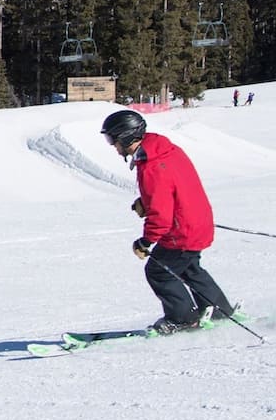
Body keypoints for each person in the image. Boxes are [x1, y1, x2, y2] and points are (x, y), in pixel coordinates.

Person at [101, 110, 235, 335]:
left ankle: (182, 319)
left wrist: (145, 241)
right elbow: (171, 187)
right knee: (189, 268)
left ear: (125, 136)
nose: (112, 146)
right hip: (197, 222)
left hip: (180, 230)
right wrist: (146, 200)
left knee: (158, 271)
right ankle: (219, 310)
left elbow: (161, 215)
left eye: (112, 139)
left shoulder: (151, 166)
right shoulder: (164, 150)